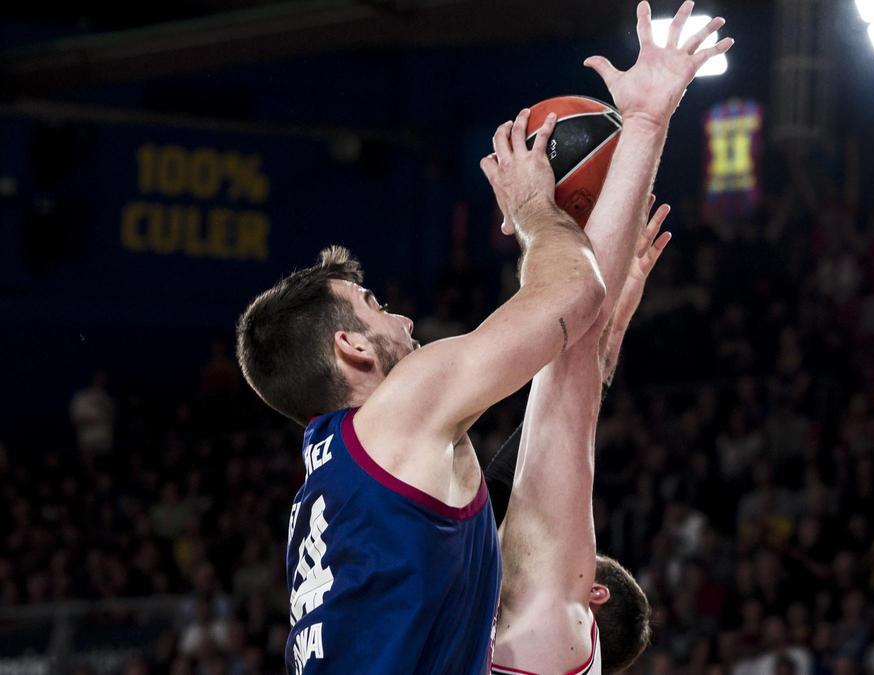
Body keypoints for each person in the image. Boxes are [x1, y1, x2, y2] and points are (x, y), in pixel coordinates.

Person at [235, 100, 607, 670]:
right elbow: (575, 291)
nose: (404, 320)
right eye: (375, 306)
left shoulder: (331, 486)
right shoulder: (397, 411)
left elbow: (508, 483)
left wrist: (597, 348)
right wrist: (532, 208)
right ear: (351, 346)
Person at [487, 2, 733, 673]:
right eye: (576, 542)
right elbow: (564, 397)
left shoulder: (539, 636)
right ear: (586, 597)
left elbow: (558, 408)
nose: (559, 515)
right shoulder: (542, 630)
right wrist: (647, 125)